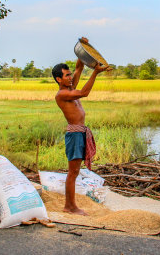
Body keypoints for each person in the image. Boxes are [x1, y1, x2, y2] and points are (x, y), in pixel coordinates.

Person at [53, 59, 109, 215]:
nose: (70, 77)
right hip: (75, 135)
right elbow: (84, 93)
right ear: (59, 79)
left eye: (70, 75)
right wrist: (96, 72)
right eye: (66, 76)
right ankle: (70, 206)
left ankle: (70, 205)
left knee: (75, 172)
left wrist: (82, 50)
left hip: (80, 133)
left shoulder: (70, 88)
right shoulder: (63, 94)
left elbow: (79, 66)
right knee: (73, 172)